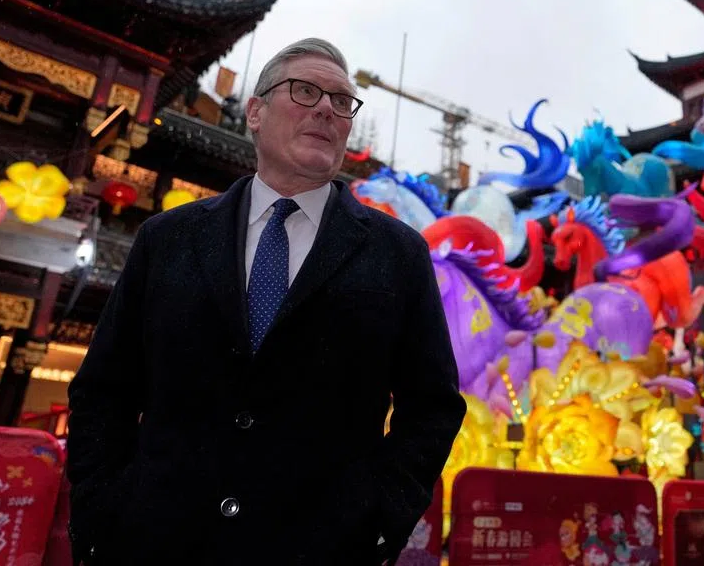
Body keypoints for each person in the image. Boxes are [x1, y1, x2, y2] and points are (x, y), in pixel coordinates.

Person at [66, 38, 466, 565]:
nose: (327, 108)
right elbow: (104, 391)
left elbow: (432, 407)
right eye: (305, 91)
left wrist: (375, 521)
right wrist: (102, 513)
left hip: (320, 549)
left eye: (342, 101)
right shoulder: (169, 238)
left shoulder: (399, 254)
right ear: (255, 111)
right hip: (155, 541)